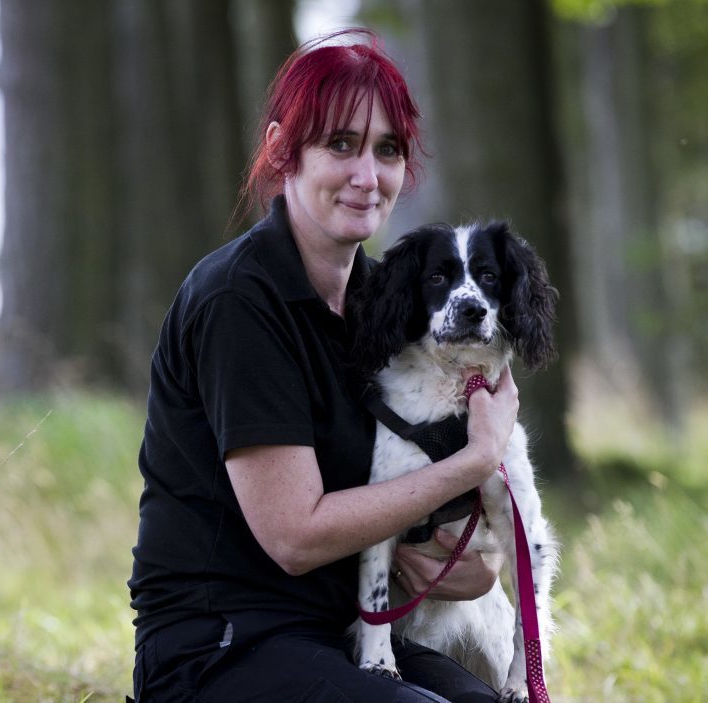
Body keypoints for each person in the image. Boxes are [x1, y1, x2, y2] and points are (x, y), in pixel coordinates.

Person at [128, 28, 520, 703]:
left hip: (346, 632)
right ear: (283, 149)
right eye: (341, 144)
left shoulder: (385, 306)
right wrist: (473, 461)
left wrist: (469, 560)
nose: (367, 176)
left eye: (387, 150)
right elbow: (295, 535)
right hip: (220, 649)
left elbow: (445, 534)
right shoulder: (239, 301)